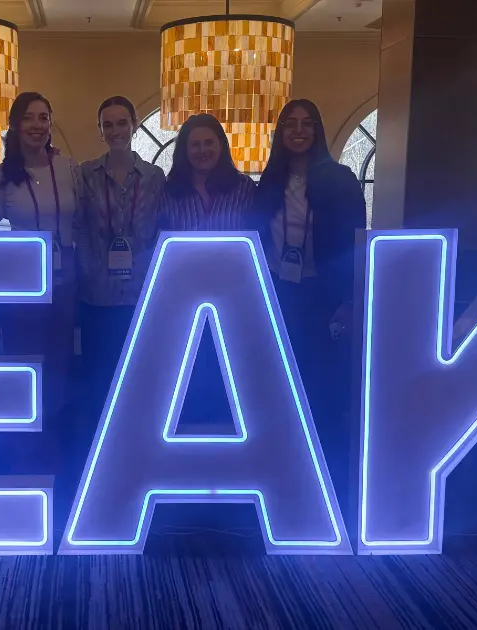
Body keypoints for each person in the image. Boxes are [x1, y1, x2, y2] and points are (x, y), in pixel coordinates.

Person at [255, 98, 366, 484]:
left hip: (323, 295)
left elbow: (355, 247)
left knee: (321, 384)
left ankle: (322, 474)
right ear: (280, 133)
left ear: (317, 130)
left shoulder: (341, 180)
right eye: (290, 124)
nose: (298, 131)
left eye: (306, 124)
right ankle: (281, 466)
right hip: (278, 294)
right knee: (278, 382)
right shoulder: (269, 183)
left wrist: (350, 301)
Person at [0, 92, 82, 426]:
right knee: (24, 354)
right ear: (15, 124)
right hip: (23, 276)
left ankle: (55, 429)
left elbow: (81, 220)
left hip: (65, 274)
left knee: (60, 357)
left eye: (44, 117)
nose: (37, 125)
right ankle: (22, 426)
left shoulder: (69, 168)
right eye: (28, 117)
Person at [157, 113, 257, 428]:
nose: (202, 150)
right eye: (194, 144)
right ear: (184, 151)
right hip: (182, 297)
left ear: (221, 145)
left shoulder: (243, 189)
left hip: (232, 295)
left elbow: (256, 239)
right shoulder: (168, 191)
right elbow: (158, 241)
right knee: (186, 366)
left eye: (208, 143)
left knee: (230, 366)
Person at [75, 96, 164, 405]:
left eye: (121, 123)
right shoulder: (85, 174)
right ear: (100, 131)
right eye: (107, 125)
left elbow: (159, 232)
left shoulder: (154, 177)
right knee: (99, 377)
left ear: (134, 125)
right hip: (97, 295)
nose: (115, 131)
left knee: (140, 376)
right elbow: (79, 226)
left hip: (140, 295)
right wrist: (87, 269)